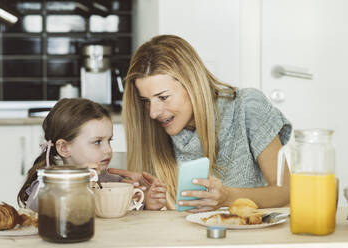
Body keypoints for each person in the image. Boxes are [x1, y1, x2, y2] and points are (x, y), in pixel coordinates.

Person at [109, 34, 292, 212]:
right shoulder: (151, 128)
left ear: (193, 85)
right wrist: (145, 202)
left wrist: (228, 197)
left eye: (163, 97)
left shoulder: (247, 106)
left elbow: (286, 191)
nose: (153, 112)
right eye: (146, 100)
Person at [17, 98, 166, 211]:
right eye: (97, 142)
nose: (108, 149)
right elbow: (35, 207)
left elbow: (127, 215)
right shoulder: (49, 183)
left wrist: (146, 202)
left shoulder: (113, 182)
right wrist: (75, 184)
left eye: (109, 140)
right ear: (64, 148)